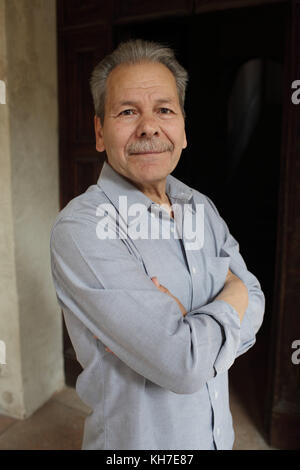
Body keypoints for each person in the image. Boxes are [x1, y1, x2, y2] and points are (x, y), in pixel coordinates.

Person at [50, 39, 265, 450]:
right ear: (100, 131)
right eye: (128, 112)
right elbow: (183, 364)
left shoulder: (200, 206)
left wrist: (196, 323)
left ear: (183, 128)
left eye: (164, 110)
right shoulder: (83, 229)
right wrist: (229, 300)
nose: (149, 126)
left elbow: (255, 297)